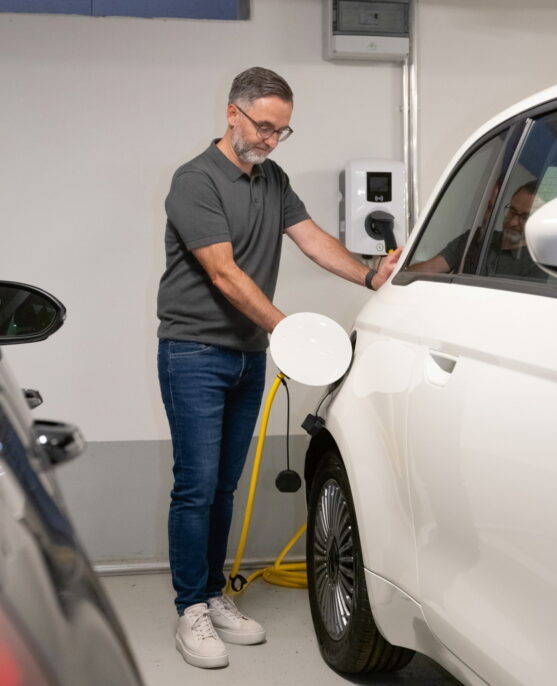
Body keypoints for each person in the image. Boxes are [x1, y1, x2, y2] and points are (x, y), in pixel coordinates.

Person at [155, 66, 402, 669]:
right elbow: (223, 272)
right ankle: (190, 608)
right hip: (194, 352)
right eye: (263, 126)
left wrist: (371, 275)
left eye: (281, 131)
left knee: (224, 485)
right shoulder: (195, 181)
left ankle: (214, 596)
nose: (269, 139)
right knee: (195, 486)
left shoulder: (272, 178)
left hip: (246, 355)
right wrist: (286, 329)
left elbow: (312, 237)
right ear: (232, 113)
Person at [409, 180, 544, 278]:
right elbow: (430, 268)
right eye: (512, 211)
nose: (513, 222)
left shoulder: (538, 265)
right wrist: (396, 274)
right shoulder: (475, 238)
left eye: (524, 217)